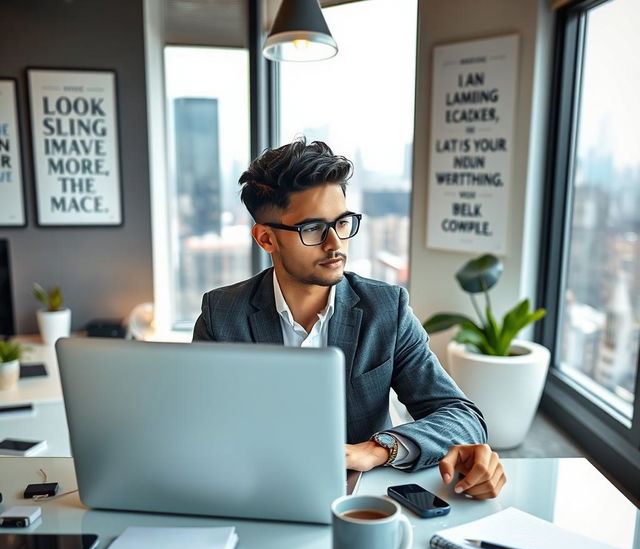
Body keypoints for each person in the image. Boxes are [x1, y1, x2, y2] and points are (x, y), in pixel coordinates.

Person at [193, 139, 506, 499]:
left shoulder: (385, 308)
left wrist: (374, 450)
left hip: (359, 500)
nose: (335, 244)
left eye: (342, 223)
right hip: (254, 492)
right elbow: (200, 428)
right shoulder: (222, 314)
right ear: (266, 238)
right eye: (312, 229)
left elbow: (461, 416)